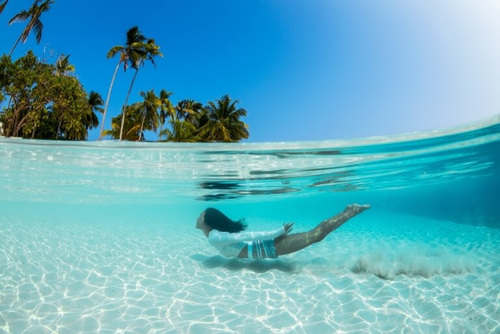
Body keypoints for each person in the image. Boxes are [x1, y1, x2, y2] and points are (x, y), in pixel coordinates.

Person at [196, 204, 370, 260]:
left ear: (206, 221)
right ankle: (349, 211)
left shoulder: (214, 238)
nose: (197, 217)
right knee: (314, 235)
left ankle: (350, 211)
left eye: (200, 215)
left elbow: (246, 236)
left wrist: (277, 232)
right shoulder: (215, 236)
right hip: (270, 247)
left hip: (271, 247)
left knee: (316, 235)